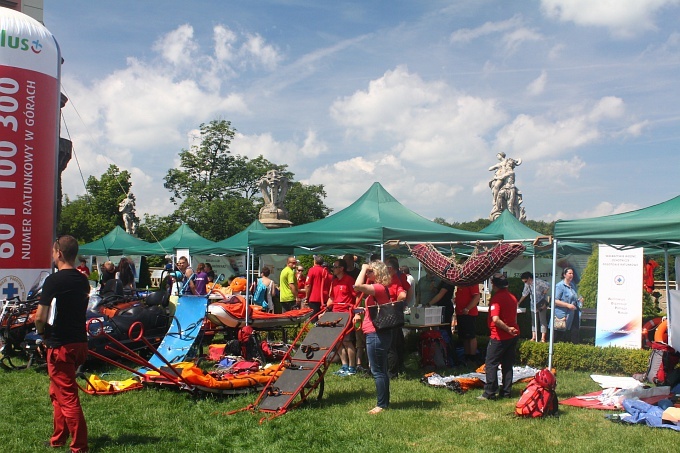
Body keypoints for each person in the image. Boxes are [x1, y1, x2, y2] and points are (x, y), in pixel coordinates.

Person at [35, 235, 90, 452]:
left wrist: (42, 335)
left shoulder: (54, 280)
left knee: (67, 398)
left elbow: (40, 316)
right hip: (79, 342)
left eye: (52, 250)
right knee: (57, 393)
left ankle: (79, 446)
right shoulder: (82, 279)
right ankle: (58, 438)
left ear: (59, 253)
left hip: (61, 346)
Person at [353, 261, 393, 414]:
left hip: (376, 334)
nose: (368, 273)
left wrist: (362, 269)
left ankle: (381, 405)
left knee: (377, 370)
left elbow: (356, 286)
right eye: (367, 270)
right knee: (381, 369)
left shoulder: (378, 288)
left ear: (378, 273)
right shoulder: (380, 288)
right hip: (377, 333)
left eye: (371, 271)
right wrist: (363, 311)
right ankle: (384, 402)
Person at [478, 273, 520, 401]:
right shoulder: (513, 297)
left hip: (499, 336)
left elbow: (495, 319)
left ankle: (490, 392)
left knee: (491, 364)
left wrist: (507, 329)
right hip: (513, 335)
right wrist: (511, 329)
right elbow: (514, 316)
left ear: (494, 285)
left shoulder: (497, 299)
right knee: (507, 364)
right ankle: (506, 391)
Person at [327, 259, 358, 376]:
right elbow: (332, 298)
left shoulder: (349, 280)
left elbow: (356, 296)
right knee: (337, 341)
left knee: (347, 341)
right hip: (335, 313)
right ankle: (344, 365)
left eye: (335, 267)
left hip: (346, 313)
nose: (333, 269)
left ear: (341, 268)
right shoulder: (334, 282)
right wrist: (326, 309)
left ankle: (352, 367)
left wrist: (355, 312)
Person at [553, 267, 583, 344]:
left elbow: (575, 297)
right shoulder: (559, 286)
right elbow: (555, 301)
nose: (571, 275)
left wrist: (579, 300)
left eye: (572, 273)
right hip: (562, 314)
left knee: (574, 331)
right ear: (564, 275)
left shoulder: (573, 285)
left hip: (573, 312)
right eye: (569, 273)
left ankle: (575, 346)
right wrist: (567, 305)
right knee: (559, 333)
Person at [518, 271, 550, 342]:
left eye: (526, 281)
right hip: (533, 304)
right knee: (534, 321)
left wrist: (545, 291)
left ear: (529, 278)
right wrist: (519, 302)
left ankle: (543, 338)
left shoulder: (538, 281)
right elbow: (525, 293)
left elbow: (548, 285)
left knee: (542, 320)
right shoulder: (527, 284)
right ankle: (534, 336)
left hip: (541, 303)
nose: (525, 283)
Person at [454, 283, 481, 363]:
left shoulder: (472, 283)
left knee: (471, 336)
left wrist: (467, 308)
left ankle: (472, 357)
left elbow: (477, 297)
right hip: (460, 313)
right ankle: (466, 356)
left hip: (469, 313)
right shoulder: (461, 284)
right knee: (464, 336)